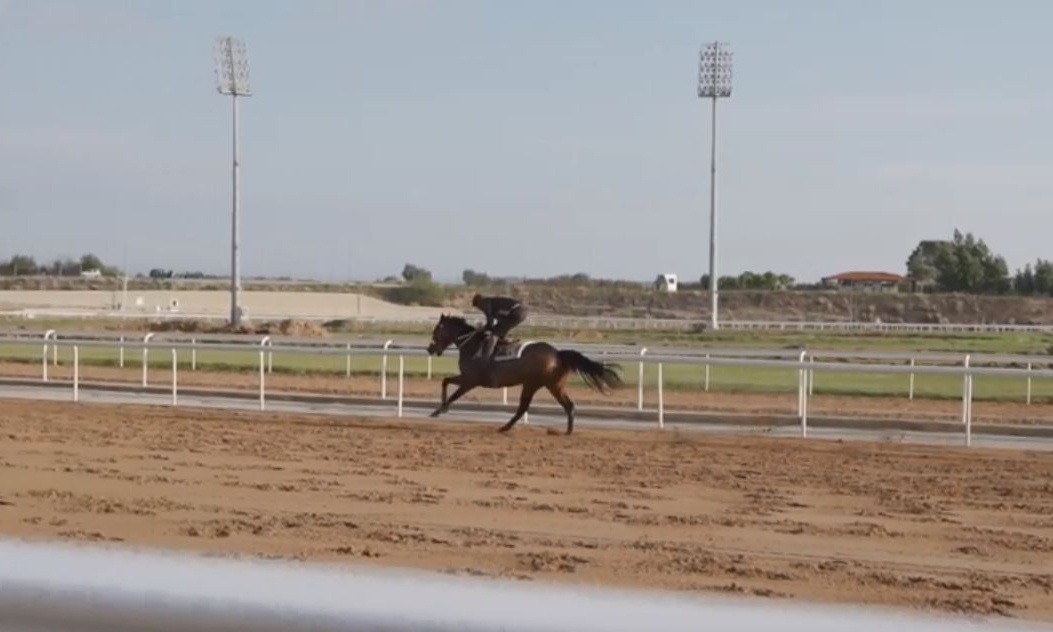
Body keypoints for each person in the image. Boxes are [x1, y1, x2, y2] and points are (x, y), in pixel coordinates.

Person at [472, 293, 527, 360]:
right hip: (521, 310)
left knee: (494, 335)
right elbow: (494, 323)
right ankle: (505, 342)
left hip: (516, 312)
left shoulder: (486, 304)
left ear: (479, 303)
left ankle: (485, 358)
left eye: (478, 308)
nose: (480, 309)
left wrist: (482, 329)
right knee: (499, 330)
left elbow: (490, 323)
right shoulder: (491, 302)